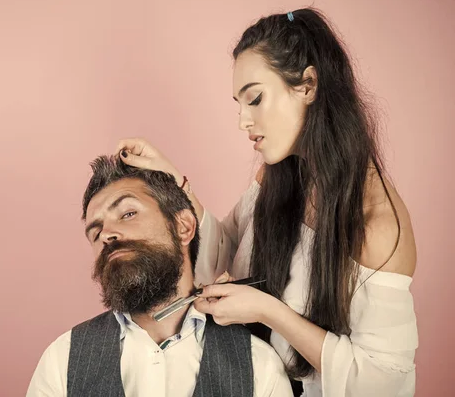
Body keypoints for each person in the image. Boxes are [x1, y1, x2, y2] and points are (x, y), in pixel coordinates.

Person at [115, 8, 418, 397]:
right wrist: (175, 180)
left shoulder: (376, 224)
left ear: (308, 85)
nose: (243, 120)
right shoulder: (278, 176)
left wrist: (268, 312)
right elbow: (226, 250)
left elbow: (384, 383)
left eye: (255, 99)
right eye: (239, 104)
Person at [26, 156, 292, 397]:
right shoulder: (62, 360)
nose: (107, 234)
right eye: (96, 233)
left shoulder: (259, 365)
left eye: (128, 214)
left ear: (183, 227)